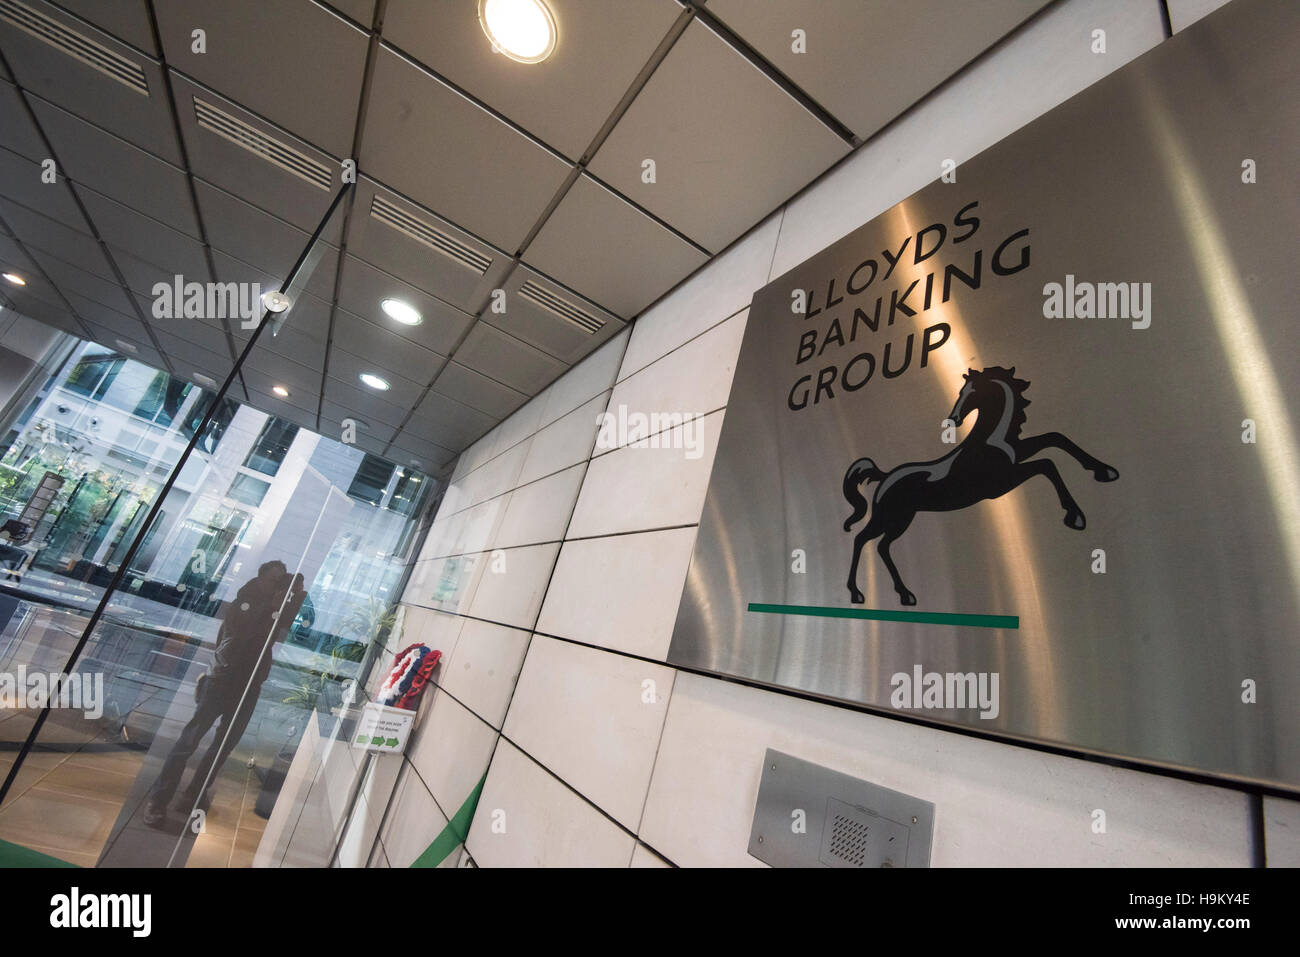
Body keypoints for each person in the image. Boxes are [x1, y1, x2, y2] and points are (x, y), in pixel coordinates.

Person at [143, 561, 307, 828]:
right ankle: (158, 801)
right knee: (189, 741)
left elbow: (283, 633)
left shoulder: (274, 606)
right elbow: (245, 633)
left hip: (249, 684)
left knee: (223, 747)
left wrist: (294, 597)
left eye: (281, 582)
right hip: (222, 679)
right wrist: (275, 603)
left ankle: (193, 795)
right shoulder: (245, 601)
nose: (278, 586)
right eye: (275, 580)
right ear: (261, 577)